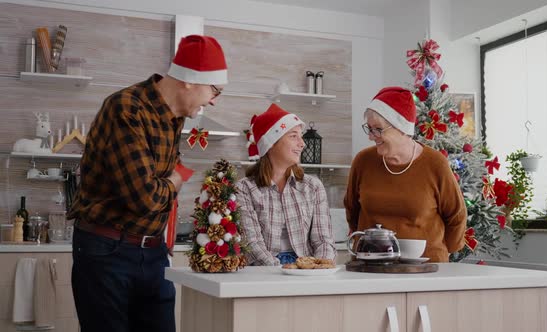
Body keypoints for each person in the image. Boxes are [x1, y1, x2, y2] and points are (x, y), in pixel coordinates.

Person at [67, 35, 228, 332]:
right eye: (214, 90)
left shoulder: (174, 117)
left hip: (152, 253)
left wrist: (165, 183)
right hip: (107, 252)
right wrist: (177, 178)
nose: (215, 100)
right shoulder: (126, 109)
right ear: (189, 81)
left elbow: (154, 190)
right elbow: (145, 199)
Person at [344, 87, 467, 262]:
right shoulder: (363, 161)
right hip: (371, 266)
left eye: (378, 129)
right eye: (369, 129)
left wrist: (443, 252)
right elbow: (351, 210)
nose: (371, 136)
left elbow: (456, 215)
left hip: (425, 267)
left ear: (401, 128)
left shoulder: (435, 163)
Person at [236, 104, 336, 266]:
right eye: (293, 136)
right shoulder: (245, 189)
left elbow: (323, 240)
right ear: (271, 143)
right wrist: (281, 270)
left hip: (306, 270)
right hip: (264, 272)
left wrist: (319, 266)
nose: (302, 144)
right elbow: (252, 244)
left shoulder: (313, 186)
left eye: (301, 136)